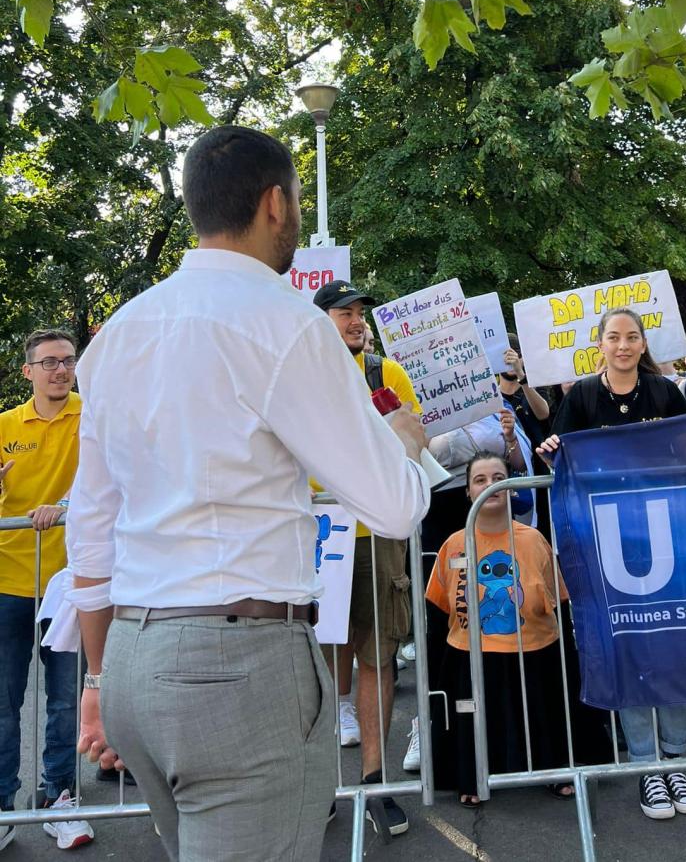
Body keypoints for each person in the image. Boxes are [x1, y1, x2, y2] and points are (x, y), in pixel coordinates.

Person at [66, 125, 430, 862]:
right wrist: (408, 446)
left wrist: (99, 677)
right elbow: (393, 503)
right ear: (275, 203)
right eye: (296, 199)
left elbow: (91, 523)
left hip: (134, 655)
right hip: (241, 666)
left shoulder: (119, 333)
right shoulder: (288, 324)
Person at [540, 307, 686, 822]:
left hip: (670, 541)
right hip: (609, 549)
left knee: (675, 643)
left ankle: (675, 758)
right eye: (613, 337)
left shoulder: (664, 394)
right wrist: (551, 451)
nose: (622, 345)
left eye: (631, 337)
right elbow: (560, 460)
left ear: (643, 345)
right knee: (631, 648)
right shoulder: (582, 398)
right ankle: (645, 764)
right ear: (601, 346)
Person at [312, 278, 423, 835]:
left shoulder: (384, 372)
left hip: (377, 535)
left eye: (359, 313)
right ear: (320, 322)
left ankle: (374, 780)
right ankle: (324, 782)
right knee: (324, 665)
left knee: (378, 657)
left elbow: (414, 441)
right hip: (318, 538)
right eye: (343, 313)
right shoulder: (299, 375)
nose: (356, 321)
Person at [426, 452, 597, 805]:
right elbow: (440, 606)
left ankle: (551, 769)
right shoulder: (453, 544)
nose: (492, 485)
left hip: (533, 650)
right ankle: (471, 776)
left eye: (498, 477)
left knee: (541, 711)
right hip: (472, 654)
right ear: (468, 492)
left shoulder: (534, 539)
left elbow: (557, 599)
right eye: (480, 479)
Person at [0, 329, 93, 852]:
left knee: (64, 702)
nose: (61, 370)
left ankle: (60, 797)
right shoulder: (4, 426)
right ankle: (2, 805)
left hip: (73, 583)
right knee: (3, 701)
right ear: (27, 371)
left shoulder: (96, 416)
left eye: (68, 361)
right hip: (7, 584)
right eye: (49, 362)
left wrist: (64, 505)